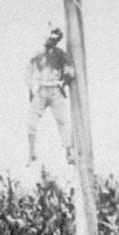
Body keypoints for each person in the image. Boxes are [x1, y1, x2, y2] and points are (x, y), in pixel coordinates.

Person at [26, 28, 76, 165]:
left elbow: (70, 70)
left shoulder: (60, 54)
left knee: (62, 120)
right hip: (41, 90)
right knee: (31, 121)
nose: (49, 41)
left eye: (53, 39)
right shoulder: (38, 54)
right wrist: (30, 89)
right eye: (49, 38)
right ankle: (31, 153)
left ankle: (69, 151)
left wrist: (63, 81)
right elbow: (29, 69)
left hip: (55, 89)